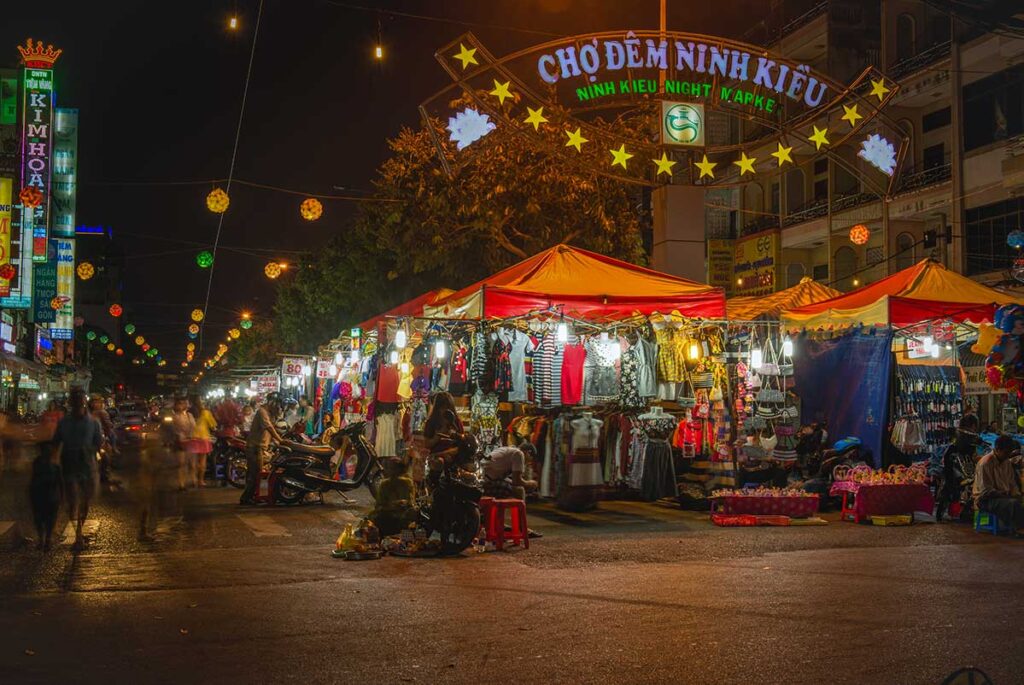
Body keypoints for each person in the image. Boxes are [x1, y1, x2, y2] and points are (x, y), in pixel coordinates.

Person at [52, 388, 103, 550]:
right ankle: (78, 535)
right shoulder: (63, 422)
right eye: (75, 399)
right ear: (71, 402)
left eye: (80, 398)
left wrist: (90, 453)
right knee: (73, 499)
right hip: (69, 464)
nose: (77, 402)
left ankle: (80, 529)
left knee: (85, 500)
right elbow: (56, 442)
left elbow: (98, 443)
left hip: (87, 465)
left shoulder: (93, 422)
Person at [973, 434, 1024, 532]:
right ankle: (1020, 528)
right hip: (985, 500)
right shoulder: (986, 463)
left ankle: (1016, 526)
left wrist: (1017, 494)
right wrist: (1003, 494)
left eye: (1009, 453)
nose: (1008, 455)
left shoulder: (1006, 462)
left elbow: (1012, 483)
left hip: (1002, 497)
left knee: (1018, 501)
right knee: (1012, 504)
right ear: (997, 449)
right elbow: (985, 491)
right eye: (1006, 453)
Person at [240, 393, 284, 505]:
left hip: (261, 447)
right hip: (255, 447)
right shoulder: (262, 412)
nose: (277, 408)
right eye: (277, 405)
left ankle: (254, 496)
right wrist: (280, 440)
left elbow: (273, 427)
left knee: (258, 473)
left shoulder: (268, 413)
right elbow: (269, 428)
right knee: (255, 474)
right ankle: (247, 498)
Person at [935, 415, 980, 521]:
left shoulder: (961, 432)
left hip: (953, 458)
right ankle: (959, 512)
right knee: (956, 485)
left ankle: (944, 513)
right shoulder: (968, 434)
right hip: (957, 461)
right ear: (973, 425)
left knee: (950, 485)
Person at [367, 457, 418, 536]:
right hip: (389, 514)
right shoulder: (385, 484)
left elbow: (411, 502)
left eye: (391, 468)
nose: (386, 470)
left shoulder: (407, 482)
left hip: (402, 515)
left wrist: (402, 504)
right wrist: (392, 505)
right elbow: (379, 506)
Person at [188, 395, 217, 487]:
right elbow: (213, 425)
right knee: (202, 461)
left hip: (192, 438)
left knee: (194, 461)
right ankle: (200, 480)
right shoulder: (206, 412)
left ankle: (193, 480)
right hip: (203, 438)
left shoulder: (189, 413)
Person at [169, 396, 196, 490]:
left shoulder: (190, 415)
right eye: (180, 403)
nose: (182, 405)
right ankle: (181, 484)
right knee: (181, 463)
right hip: (180, 442)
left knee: (192, 463)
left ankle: (193, 480)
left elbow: (194, 427)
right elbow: (173, 429)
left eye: (184, 403)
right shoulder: (175, 416)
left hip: (190, 441)